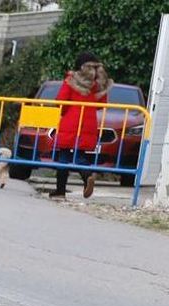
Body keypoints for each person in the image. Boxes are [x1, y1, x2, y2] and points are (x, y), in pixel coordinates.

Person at [52, 52, 112, 199]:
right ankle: (87, 176)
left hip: (70, 123)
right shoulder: (97, 85)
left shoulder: (71, 81)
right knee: (80, 156)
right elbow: (101, 105)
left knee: (64, 157)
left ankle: (60, 191)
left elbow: (61, 100)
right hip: (89, 123)